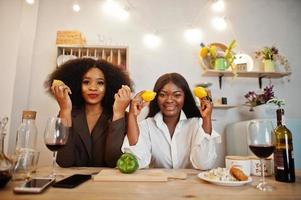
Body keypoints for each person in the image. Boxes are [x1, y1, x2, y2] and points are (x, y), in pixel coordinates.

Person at [45, 58, 133, 167]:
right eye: (86, 82)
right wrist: (65, 110)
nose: (93, 88)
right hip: (74, 182)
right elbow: (65, 161)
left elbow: (113, 161)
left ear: (108, 87)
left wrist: (118, 113)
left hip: (108, 182)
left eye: (100, 83)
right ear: (77, 85)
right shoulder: (67, 114)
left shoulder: (120, 116)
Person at [122, 73, 220, 169]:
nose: (169, 100)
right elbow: (137, 161)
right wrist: (132, 115)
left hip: (190, 184)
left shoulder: (196, 124)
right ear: (156, 98)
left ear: (185, 98)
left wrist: (207, 118)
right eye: (163, 95)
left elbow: (204, 164)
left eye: (177, 95)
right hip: (159, 183)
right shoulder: (146, 126)